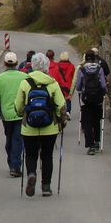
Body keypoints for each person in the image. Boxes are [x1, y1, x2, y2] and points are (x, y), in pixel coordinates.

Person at [14, 52, 66, 197]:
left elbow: (18, 107)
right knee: (47, 156)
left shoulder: (25, 83)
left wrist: (21, 114)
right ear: (47, 66)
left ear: (32, 65)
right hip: (49, 128)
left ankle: (31, 174)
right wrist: (63, 121)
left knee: (30, 154)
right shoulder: (52, 83)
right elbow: (61, 106)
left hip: (29, 128)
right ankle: (46, 187)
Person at [0, 51, 27, 177]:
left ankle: (12, 162)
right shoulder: (24, 77)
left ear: (5, 63)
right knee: (17, 139)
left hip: (6, 115)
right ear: (16, 63)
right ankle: (15, 166)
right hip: (21, 114)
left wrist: (0, 111)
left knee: (9, 138)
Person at [77, 50, 108, 155]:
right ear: (94, 58)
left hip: (86, 100)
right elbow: (103, 85)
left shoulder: (82, 70)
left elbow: (78, 86)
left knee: (87, 123)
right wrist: (104, 93)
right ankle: (97, 142)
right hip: (98, 100)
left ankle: (90, 146)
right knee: (96, 121)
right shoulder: (99, 69)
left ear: (85, 58)